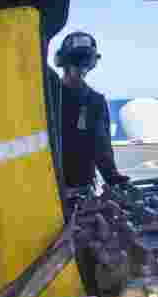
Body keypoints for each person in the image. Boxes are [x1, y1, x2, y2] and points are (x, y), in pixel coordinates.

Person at [54, 31, 130, 190]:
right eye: (76, 60)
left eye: (86, 61)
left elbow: (101, 147)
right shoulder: (48, 96)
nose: (81, 67)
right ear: (64, 62)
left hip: (81, 187)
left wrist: (113, 178)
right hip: (48, 185)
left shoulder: (94, 101)